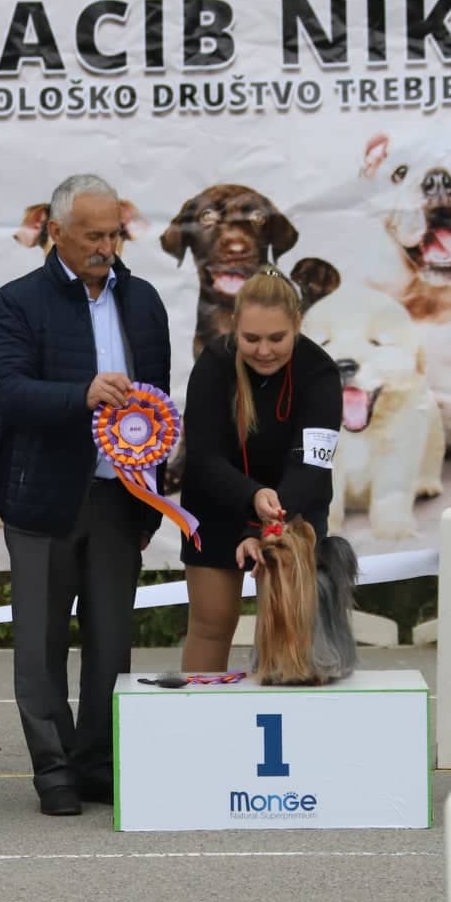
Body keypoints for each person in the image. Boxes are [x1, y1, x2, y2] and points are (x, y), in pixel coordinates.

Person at [0, 174, 172, 817]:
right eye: (92, 236)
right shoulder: (16, 302)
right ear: (55, 232)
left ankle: (98, 764)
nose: (105, 247)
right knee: (39, 648)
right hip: (41, 499)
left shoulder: (144, 301)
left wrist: (151, 501)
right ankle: (54, 768)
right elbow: (6, 391)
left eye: (113, 234)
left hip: (121, 498)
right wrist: (81, 395)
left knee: (111, 643)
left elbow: (159, 406)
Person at [178, 265, 344, 672]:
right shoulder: (213, 364)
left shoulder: (320, 372)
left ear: (298, 325)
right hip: (218, 500)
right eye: (251, 338)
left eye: (277, 338)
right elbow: (203, 457)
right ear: (234, 325)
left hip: (292, 505)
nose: (264, 350)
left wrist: (264, 528)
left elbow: (312, 464)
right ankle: (197, 710)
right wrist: (251, 499)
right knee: (212, 622)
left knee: (288, 627)